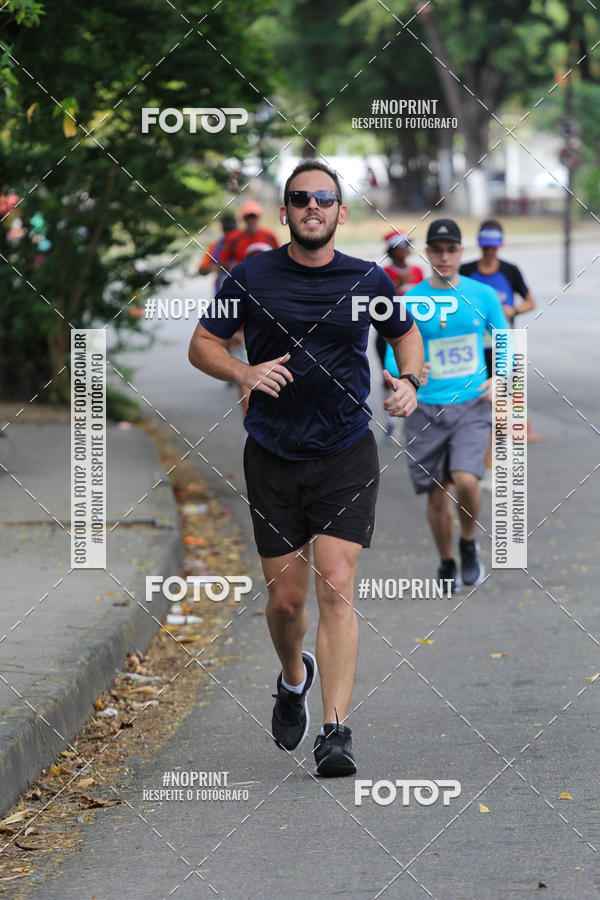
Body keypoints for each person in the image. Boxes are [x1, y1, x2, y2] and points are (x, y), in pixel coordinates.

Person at [189, 160, 424, 776]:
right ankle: (293, 677)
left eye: (324, 199)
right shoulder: (252, 275)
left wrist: (411, 382)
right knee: (288, 602)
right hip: (271, 453)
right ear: (286, 210)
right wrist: (242, 372)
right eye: (300, 199)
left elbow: (406, 337)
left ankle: (335, 728)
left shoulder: (369, 279)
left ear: (341, 213)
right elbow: (203, 344)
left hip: (346, 450)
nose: (312, 207)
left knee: (337, 587)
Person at [384, 218, 509, 593]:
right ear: (429, 252)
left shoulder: (481, 295)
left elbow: (506, 338)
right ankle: (446, 560)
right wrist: (405, 376)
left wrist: (499, 378)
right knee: (438, 492)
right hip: (425, 407)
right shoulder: (410, 300)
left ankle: (468, 542)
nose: (444, 256)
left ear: (460, 251)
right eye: (436, 249)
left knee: (468, 479)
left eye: (451, 249)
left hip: (471, 404)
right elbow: (393, 353)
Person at [460, 219, 543, 460]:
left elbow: (530, 302)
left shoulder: (510, 271)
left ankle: (494, 459)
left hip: (504, 344)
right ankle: (476, 456)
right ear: (479, 244)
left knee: (504, 401)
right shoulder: (465, 271)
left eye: (493, 247)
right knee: (475, 400)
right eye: (485, 247)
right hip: (473, 347)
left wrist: (513, 310)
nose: (489, 251)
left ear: (501, 245)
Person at [377, 231, 425, 416]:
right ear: (392, 250)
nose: (405, 249)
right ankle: (389, 417)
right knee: (388, 373)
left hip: (414, 328)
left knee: (415, 370)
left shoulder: (418, 271)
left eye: (407, 244)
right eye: (400, 246)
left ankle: (414, 406)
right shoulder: (384, 273)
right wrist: (397, 284)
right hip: (388, 330)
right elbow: (380, 302)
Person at [219, 200, 278, 270]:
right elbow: (222, 261)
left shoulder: (270, 236)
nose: (251, 220)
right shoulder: (232, 237)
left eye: (253, 216)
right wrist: (234, 266)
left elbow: (278, 259)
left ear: (259, 217)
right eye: (248, 216)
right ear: (243, 217)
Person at [197, 213, 239, 292]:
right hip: (222, 293)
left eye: (232, 231)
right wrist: (215, 267)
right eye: (227, 231)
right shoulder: (216, 246)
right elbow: (201, 270)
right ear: (223, 230)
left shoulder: (245, 244)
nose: (230, 235)